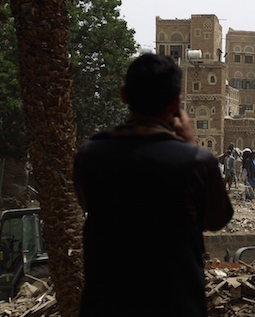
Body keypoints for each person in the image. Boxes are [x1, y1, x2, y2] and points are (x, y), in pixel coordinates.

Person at [73, 54, 234, 316]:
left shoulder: (88, 156)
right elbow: (217, 218)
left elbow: (86, 202)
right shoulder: (196, 161)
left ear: (124, 95)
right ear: (176, 103)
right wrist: (190, 144)